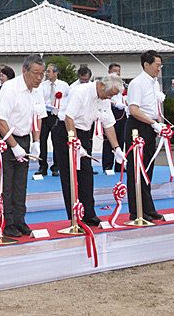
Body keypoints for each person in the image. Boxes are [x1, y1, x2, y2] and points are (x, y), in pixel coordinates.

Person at [54, 74, 126, 226]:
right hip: (66, 132)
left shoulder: (104, 98)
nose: (108, 98)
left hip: (85, 133)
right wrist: (75, 142)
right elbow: (69, 118)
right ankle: (75, 217)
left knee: (86, 175)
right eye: (109, 94)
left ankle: (89, 213)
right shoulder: (81, 92)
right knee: (70, 176)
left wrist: (117, 148)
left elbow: (109, 123)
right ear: (100, 85)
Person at [0, 55, 46, 237]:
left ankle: (20, 220)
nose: (39, 78)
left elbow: (38, 116)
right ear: (24, 71)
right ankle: (7, 223)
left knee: (21, 184)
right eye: (35, 73)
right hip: (7, 137)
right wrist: (14, 146)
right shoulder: (10, 88)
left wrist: (36, 141)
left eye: (42, 74)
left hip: (25, 137)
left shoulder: (38, 90)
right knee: (7, 184)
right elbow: (0, 120)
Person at [125, 51, 165, 221]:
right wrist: (152, 122)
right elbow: (134, 109)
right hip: (138, 126)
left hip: (151, 126)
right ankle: (137, 210)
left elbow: (155, 106)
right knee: (136, 170)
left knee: (148, 169)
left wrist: (159, 123)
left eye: (160, 66)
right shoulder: (137, 83)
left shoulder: (155, 83)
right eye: (157, 65)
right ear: (146, 65)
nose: (159, 69)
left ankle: (148, 207)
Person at [38, 63, 69, 176]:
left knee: (57, 141)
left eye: (49, 71)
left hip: (57, 115)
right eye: (47, 71)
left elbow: (67, 100)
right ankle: (42, 166)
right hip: (45, 115)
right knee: (42, 140)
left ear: (56, 73)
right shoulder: (42, 86)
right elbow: (39, 99)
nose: (47, 73)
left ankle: (56, 166)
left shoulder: (64, 85)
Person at [102, 62, 128, 173]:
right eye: (114, 71)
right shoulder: (105, 83)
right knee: (109, 138)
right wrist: (114, 103)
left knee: (121, 138)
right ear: (109, 72)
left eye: (118, 71)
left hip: (122, 112)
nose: (117, 73)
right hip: (111, 109)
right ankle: (107, 165)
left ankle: (119, 164)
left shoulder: (123, 84)